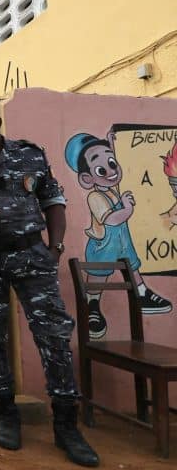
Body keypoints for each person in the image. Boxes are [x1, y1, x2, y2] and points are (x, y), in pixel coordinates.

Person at [0, 99, 99, 467]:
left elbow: (53, 201)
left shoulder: (30, 156)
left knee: (53, 336)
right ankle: (6, 413)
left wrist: (54, 249)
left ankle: (66, 425)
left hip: (31, 256)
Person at [64, 131, 171, 339]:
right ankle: (92, 306)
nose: (111, 171)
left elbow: (112, 160)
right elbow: (111, 219)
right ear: (87, 178)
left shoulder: (112, 190)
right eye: (101, 169)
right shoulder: (95, 197)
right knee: (98, 276)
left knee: (132, 266)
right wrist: (128, 209)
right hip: (103, 246)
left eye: (112, 162)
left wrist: (113, 142)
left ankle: (141, 292)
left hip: (122, 244)